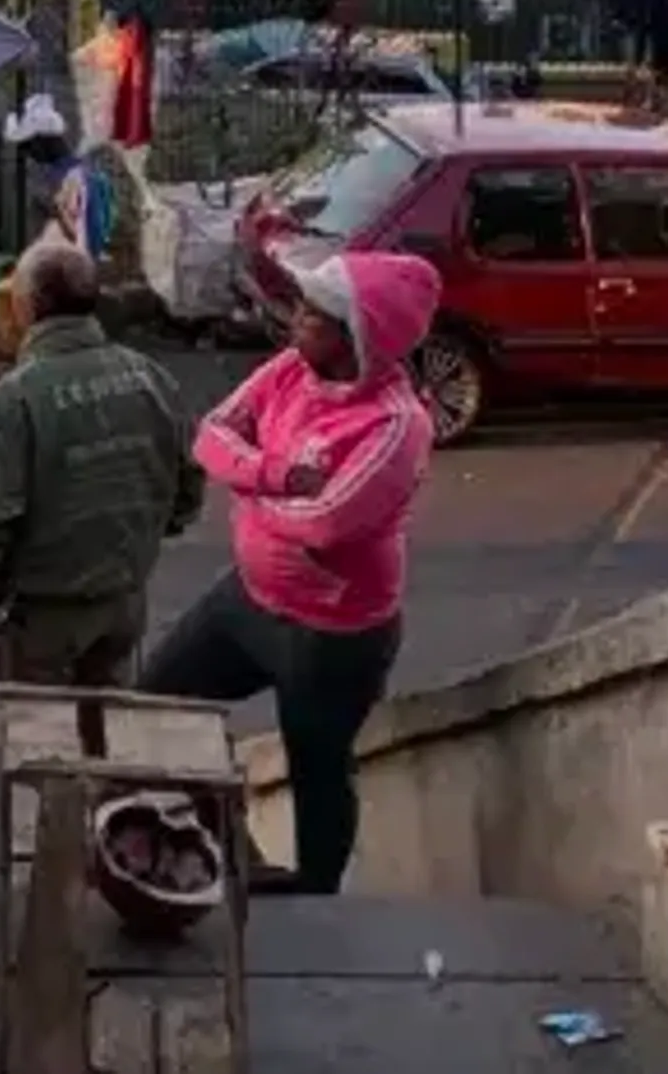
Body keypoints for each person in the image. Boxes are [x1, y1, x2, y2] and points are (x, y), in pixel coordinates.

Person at [140, 252, 443, 897]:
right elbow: (212, 435)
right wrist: (271, 477)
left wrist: (250, 490)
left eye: (313, 315)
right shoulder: (290, 372)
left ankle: (315, 897)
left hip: (332, 635)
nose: (295, 321)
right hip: (249, 599)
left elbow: (326, 522)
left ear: (353, 337)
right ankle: (228, 844)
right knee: (158, 698)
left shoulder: (396, 426)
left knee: (318, 767)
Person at [0, 243, 201, 683]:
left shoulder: (14, 399)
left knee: (36, 738)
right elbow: (187, 492)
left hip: (41, 616)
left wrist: (9, 585)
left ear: (28, 306)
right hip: (123, 605)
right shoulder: (150, 378)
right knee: (111, 732)